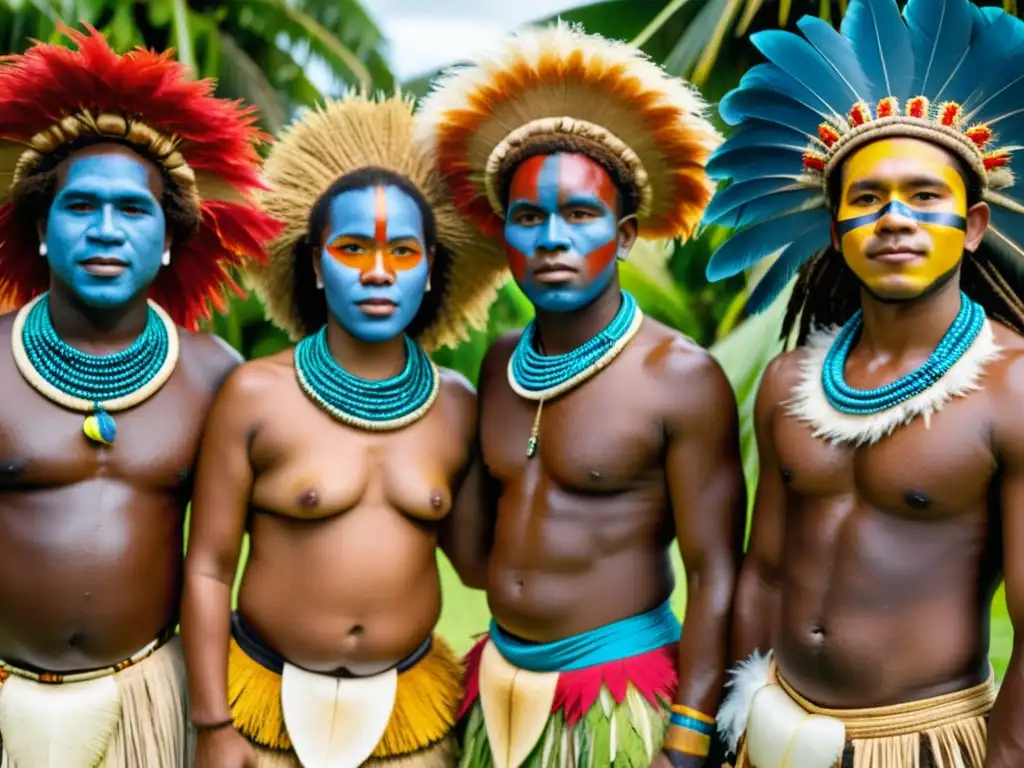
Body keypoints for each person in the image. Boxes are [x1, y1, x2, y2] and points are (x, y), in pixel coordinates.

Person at [702, 0, 1024, 765]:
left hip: (922, 740)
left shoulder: (1010, 390)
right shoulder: (788, 382)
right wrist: (729, 728)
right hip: (772, 727)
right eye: (868, 199)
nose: (895, 221)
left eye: (924, 197)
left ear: (973, 225)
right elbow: (765, 573)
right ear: (836, 224)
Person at [417, 22, 747, 768]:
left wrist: (690, 734)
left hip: (619, 697)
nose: (551, 239)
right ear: (504, 236)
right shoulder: (501, 366)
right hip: (495, 683)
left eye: (580, 215)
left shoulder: (679, 377)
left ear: (625, 234)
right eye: (528, 218)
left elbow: (716, 572)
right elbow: (473, 560)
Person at [180, 92, 508, 768]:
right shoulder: (255, 396)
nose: (379, 272)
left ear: (429, 274)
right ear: (315, 268)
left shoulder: (455, 406)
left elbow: (481, 569)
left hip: (411, 716)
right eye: (353, 248)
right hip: (261, 707)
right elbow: (209, 569)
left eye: (403, 251)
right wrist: (213, 724)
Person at [0, 24, 279, 768]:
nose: (104, 231)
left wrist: (222, 722)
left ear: (165, 241)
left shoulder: (215, 376)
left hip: (149, 705)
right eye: (80, 207)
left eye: (133, 212)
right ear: (39, 229)